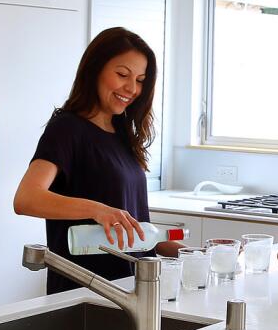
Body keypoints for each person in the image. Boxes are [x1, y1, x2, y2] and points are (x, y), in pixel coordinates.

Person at [13, 27, 181, 293]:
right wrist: (97, 210)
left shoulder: (123, 134)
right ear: (95, 69)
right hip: (84, 294)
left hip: (127, 290)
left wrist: (188, 251)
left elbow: (132, 231)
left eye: (140, 80)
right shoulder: (66, 129)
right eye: (123, 75)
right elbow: (26, 199)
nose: (132, 88)